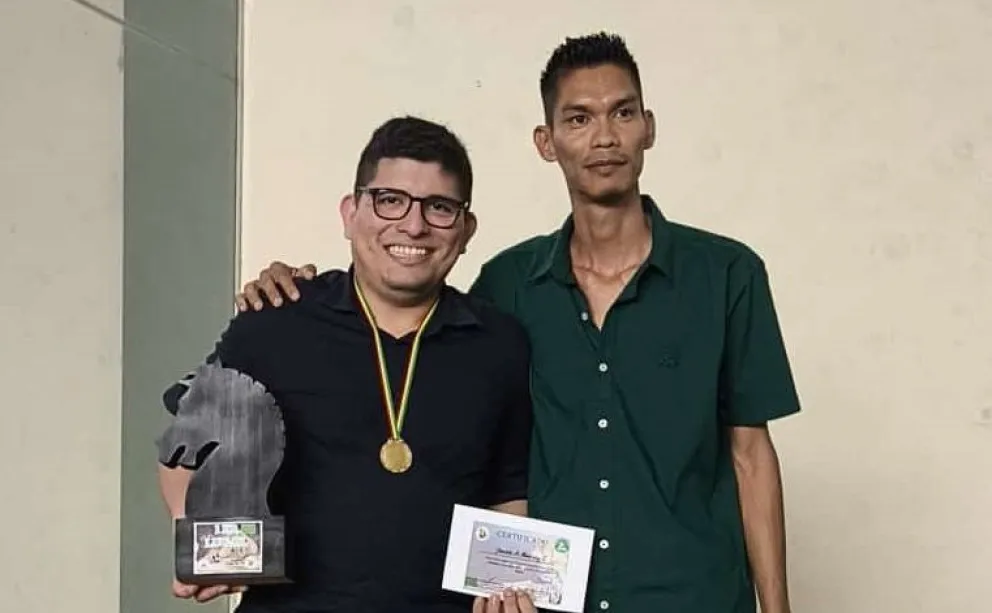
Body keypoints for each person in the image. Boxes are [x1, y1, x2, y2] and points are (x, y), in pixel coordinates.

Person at [240, 32, 802, 613]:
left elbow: (751, 455)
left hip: (693, 597)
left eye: (623, 113)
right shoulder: (505, 286)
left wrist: (778, 607)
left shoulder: (727, 274)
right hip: (548, 603)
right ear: (547, 141)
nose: (604, 137)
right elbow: (405, 322)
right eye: (578, 118)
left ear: (648, 128)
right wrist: (295, 288)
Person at [157, 116, 536, 613]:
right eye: (389, 200)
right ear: (350, 213)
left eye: (439, 208)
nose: (414, 225)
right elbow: (185, 451)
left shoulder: (500, 344)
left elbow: (507, 493)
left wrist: (511, 593)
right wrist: (209, 545)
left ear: (466, 230)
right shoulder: (275, 322)